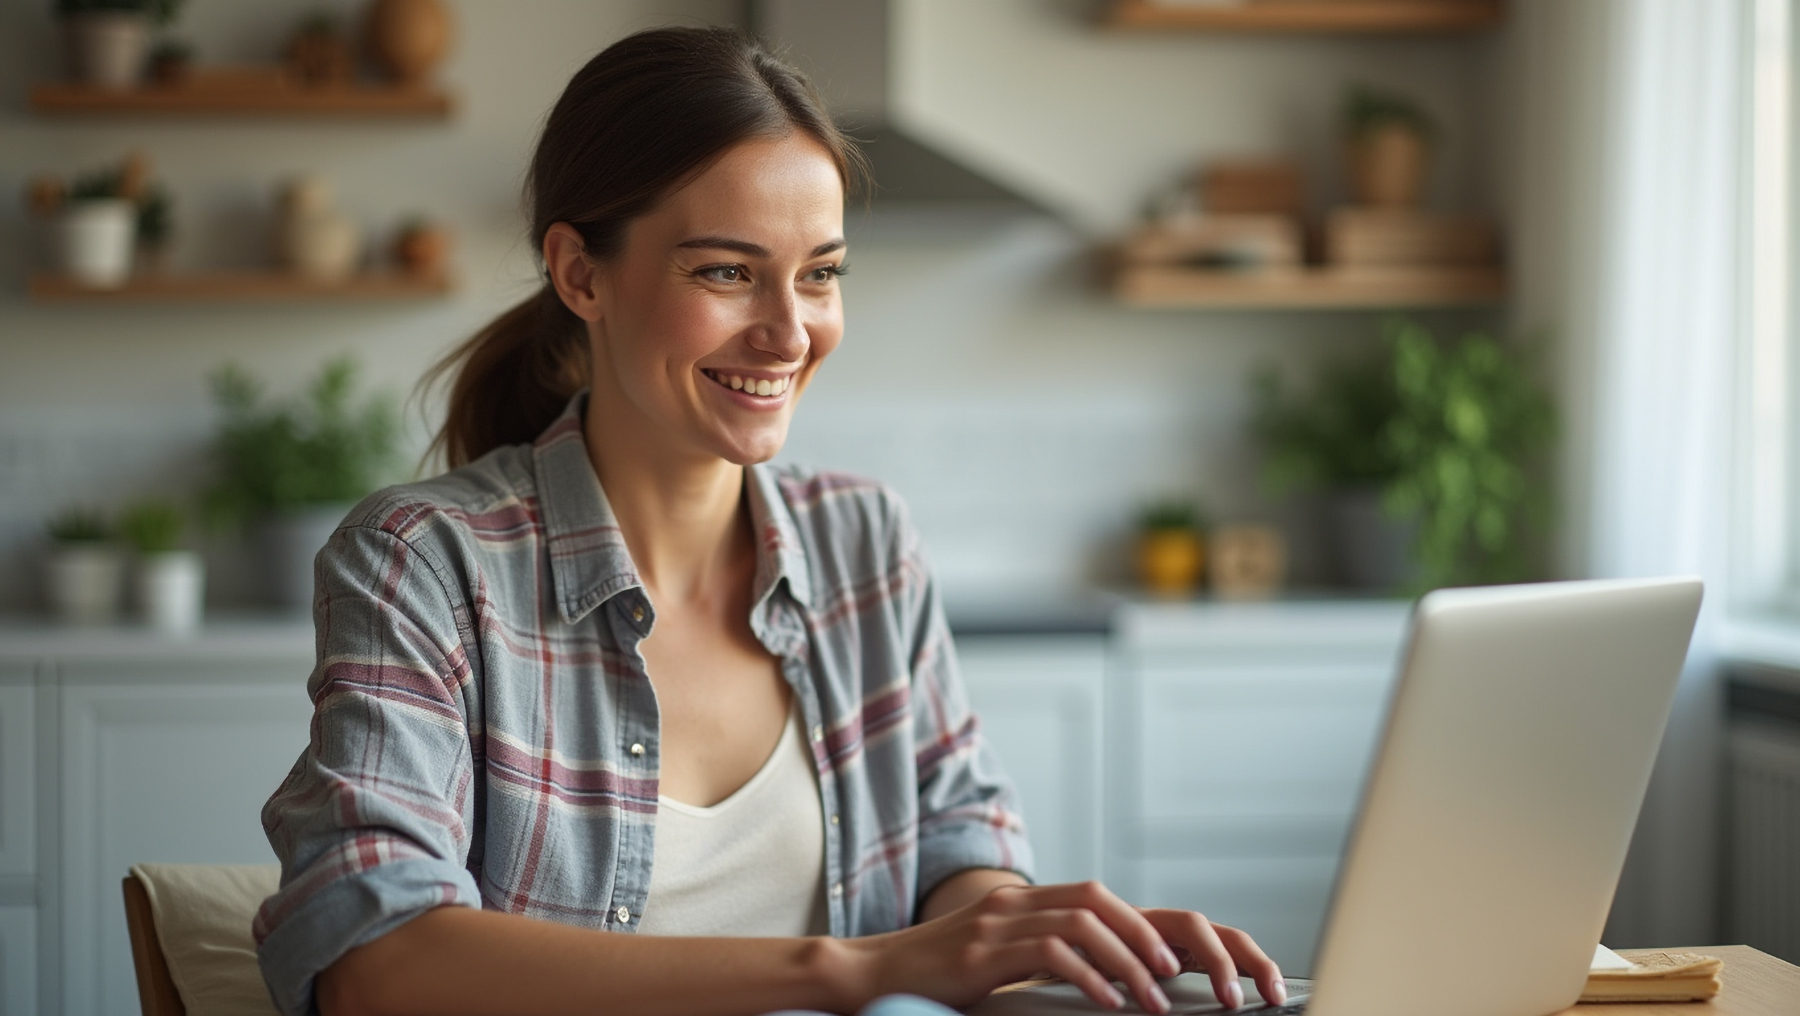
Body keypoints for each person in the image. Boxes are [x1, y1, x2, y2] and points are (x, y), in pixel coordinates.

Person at [253, 26, 1285, 1016]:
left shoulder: (864, 542)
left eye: (821, 273)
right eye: (726, 271)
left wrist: (1035, 934)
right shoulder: (425, 563)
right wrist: (846, 971)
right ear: (580, 273)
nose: (790, 332)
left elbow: (954, 850)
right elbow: (374, 959)